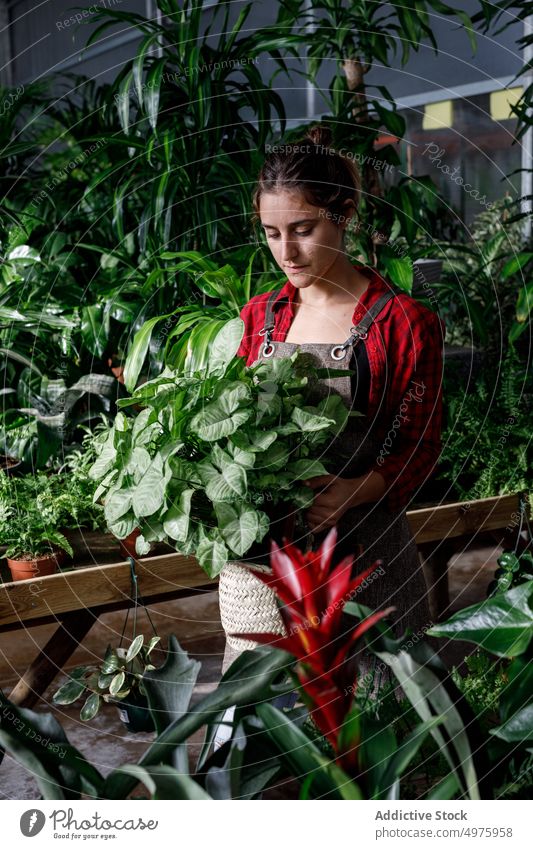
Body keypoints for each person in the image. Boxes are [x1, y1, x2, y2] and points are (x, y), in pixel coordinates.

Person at [216, 124, 444, 691]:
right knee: (260, 729)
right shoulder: (260, 318)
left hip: (368, 558)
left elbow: (421, 443)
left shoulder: (402, 323)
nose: (285, 252)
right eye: (271, 233)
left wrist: (355, 490)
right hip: (264, 564)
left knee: (382, 723)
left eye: (303, 229)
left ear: (343, 213)